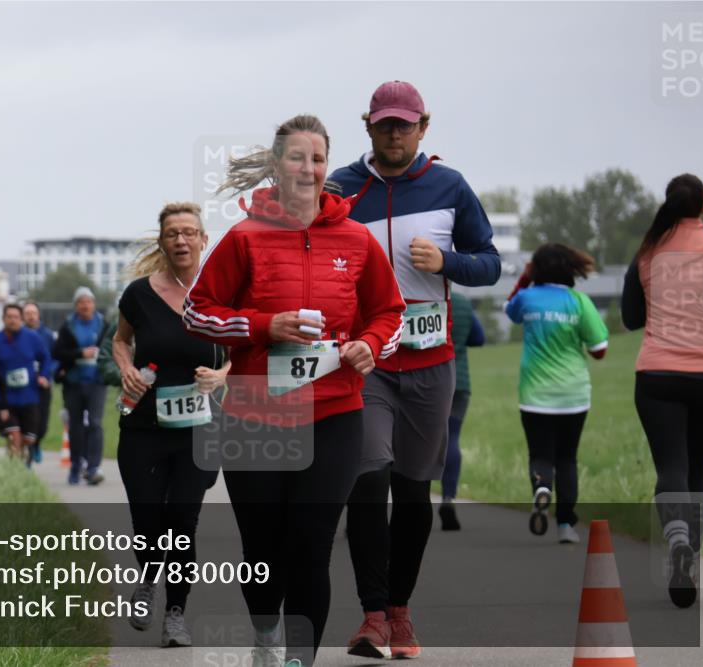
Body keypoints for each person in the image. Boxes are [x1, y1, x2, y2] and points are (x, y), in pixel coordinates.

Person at [184, 114, 406, 667]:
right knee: (263, 552)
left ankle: (298, 659)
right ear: (276, 165)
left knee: (311, 546)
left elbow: (390, 313)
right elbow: (197, 313)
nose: (308, 169)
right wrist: (263, 326)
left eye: (318, 159)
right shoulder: (244, 238)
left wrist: (369, 346)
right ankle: (265, 636)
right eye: (297, 158)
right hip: (254, 414)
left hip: (333, 412)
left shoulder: (356, 241)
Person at [327, 81, 501, 660]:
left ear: (423, 126)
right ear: (368, 127)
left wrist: (447, 261)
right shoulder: (342, 189)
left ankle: (399, 610)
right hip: (367, 362)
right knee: (368, 475)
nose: (394, 133)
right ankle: (372, 615)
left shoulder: (450, 186)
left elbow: (490, 263)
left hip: (431, 363)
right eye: (384, 125)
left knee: (412, 491)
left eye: (405, 124)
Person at [113, 201, 229, 647]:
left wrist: (222, 375)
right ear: (162, 242)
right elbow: (121, 340)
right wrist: (125, 366)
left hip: (200, 427)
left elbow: (245, 349)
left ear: (203, 240)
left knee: (183, 519)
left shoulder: (223, 293)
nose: (181, 240)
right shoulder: (139, 294)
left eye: (188, 232)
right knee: (147, 515)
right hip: (143, 424)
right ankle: (147, 580)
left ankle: (176, 614)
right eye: (172, 233)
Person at [621, 173, 703, 608]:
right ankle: (689, 557)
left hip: (658, 376)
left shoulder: (646, 254)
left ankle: (676, 541)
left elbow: (630, 318)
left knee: (672, 468)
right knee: (698, 472)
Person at [504, 244, 608, 544]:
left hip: (534, 394)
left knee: (540, 454)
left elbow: (509, 311)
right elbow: (599, 349)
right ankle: (565, 525)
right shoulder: (579, 301)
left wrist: (523, 280)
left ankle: (541, 486)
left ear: (534, 269)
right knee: (567, 458)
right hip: (573, 396)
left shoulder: (526, 298)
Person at [54, 287, 111, 485]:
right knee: (76, 426)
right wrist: (80, 354)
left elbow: (112, 348)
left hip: (97, 381)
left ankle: (93, 467)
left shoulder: (104, 324)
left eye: (88, 302)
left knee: (95, 423)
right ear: (76, 306)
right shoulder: (68, 325)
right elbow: (58, 352)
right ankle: (76, 465)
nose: (85, 305)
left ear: (94, 304)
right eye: (81, 302)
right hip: (74, 382)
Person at [438, 291, 485, 531]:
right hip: (460, 381)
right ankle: (448, 497)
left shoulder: (420, 299)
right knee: (452, 438)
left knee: (423, 441)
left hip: (431, 378)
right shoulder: (463, 303)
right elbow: (479, 337)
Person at [0, 304, 53, 464]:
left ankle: (24, 458)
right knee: (13, 435)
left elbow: (46, 358)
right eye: (9, 317)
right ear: (3, 319)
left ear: (21, 319)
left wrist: (43, 375)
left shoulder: (32, 338)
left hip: (29, 397)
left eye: (16, 317)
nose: (13, 320)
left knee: (28, 439)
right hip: (5, 398)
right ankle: (16, 468)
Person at [24, 302, 60, 464]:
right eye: (27, 313)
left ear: (38, 315)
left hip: (43, 384)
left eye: (33, 313)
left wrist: (47, 375)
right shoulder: (19, 335)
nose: (31, 316)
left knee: (42, 422)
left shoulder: (47, 335)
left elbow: (55, 358)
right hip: (25, 386)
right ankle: (29, 452)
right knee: (28, 419)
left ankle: (37, 442)